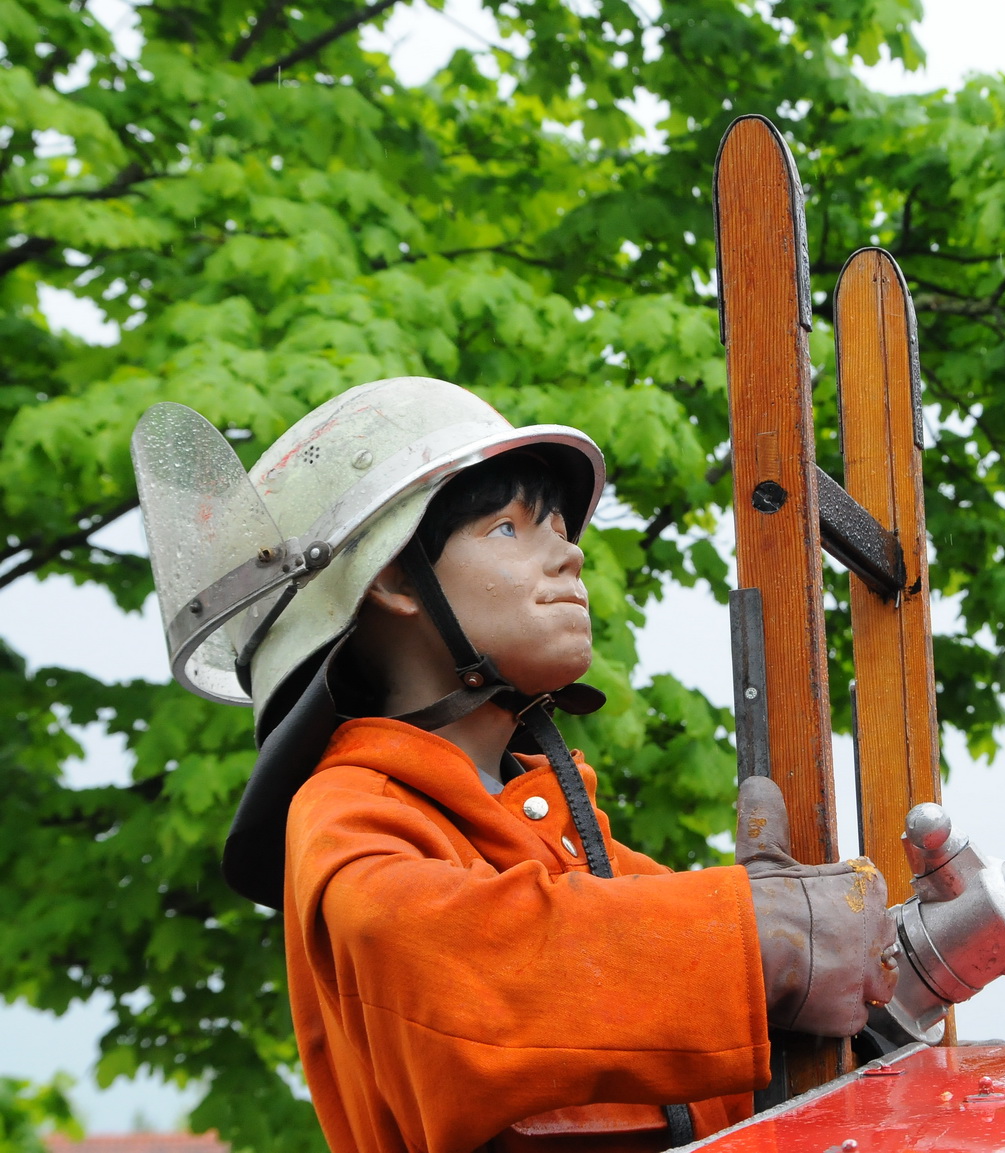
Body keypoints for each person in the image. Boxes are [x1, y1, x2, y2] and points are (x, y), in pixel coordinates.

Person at [130, 377, 899, 1153]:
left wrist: (902, 956)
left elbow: (731, 1084)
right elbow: (470, 974)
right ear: (393, 577)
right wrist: (769, 936)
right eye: (508, 528)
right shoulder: (348, 816)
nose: (570, 555)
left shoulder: (571, 838)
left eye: (562, 528)